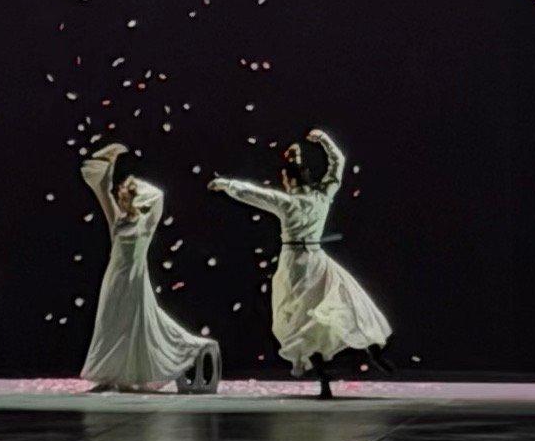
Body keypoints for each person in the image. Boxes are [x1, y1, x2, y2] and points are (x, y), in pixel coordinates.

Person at [209, 128, 391, 398]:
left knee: (298, 319)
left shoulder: (287, 203)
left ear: (289, 180)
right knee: (345, 302)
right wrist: (324, 141)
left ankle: (323, 376)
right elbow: (338, 164)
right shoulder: (322, 197)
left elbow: (254, 194)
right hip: (317, 260)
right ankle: (372, 348)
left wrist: (225, 184)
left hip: (295, 264)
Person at [80, 142, 211, 391]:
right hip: (114, 279)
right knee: (109, 325)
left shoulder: (145, 223)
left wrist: (135, 184)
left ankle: (129, 376)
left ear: (132, 198)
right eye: (121, 197)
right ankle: (108, 376)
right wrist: (111, 164)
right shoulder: (118, 221)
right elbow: (104, 193)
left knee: (132, 328)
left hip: (135, 280)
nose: (121, 200)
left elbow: (158, 196)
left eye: (124, 197)